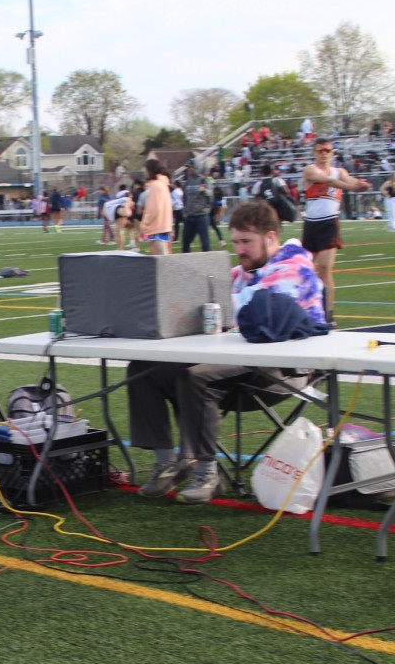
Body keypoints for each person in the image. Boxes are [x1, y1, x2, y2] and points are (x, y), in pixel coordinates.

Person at [130, 200, 326, 505]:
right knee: (143, 369)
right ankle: (167, 461)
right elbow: (214, 299)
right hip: (241, 361)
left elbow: (243, 308)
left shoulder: (293, 268)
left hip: (284, 371)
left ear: (271, 237)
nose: (240, 250)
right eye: (235, 242)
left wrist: (199, 302)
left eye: (246, 241)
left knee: (196, 376)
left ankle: (207, 473)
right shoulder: (247, 270)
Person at [301, 140, 369, 321]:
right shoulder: (310, 170)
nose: (324, 153)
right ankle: (307, 308)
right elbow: (328, 181)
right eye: (320, 150)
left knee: (324, 268)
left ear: (332, 153)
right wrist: (353, 187)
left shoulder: (340, 172)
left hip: (329, 223)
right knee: (305, 269)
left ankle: (328, 313)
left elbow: (350, 180)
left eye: (327, 150)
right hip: (311, 225)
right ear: (315, 152)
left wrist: (360, 183)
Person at [138, 159, 173, 255]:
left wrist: (144, 224)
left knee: (160, 257)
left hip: (156, 227)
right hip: (163, 225)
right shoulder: (163, 184)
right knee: (164, 256)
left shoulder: (155, 185)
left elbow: (154, 208)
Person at [179, 165, 211, 253]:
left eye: (191, 167)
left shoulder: (203, 180)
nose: (189, 169)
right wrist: (184, 211)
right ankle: (187, 261)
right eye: (188, 168)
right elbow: (184, 198)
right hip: (189, 216)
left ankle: (208, 260)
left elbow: (211, 194)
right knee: (185, 244)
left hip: (201, 216)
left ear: (196, 168)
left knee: (205, 244)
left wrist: (204, 190)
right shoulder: (187, 182)